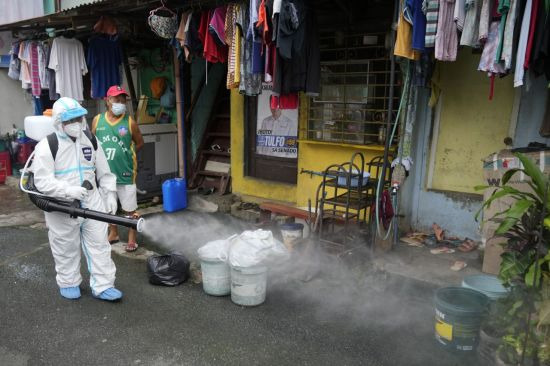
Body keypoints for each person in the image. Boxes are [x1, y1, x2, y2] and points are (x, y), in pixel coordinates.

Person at [31, 97, 122, 301]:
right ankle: (69, 281)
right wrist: (67, 190)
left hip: (92, 199)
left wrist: (109, 194)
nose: (76, 124)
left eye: (79, 119)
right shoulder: (47, 146)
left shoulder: (90, 140)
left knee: (100, 244)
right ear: (58, 123)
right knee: (65, 247)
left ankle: (104, 285)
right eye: (70, 121)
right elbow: (41, 181)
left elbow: (104, 172)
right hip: (61, 206)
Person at [92, 85, 144, 252]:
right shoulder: (97, 121)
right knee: (109, 206)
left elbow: (140, 143)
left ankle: (131, 238)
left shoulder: (130, 122)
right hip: (105, 174)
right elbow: (92, 142)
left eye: (123, 99)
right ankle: (113, 233)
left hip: (126, 172)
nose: (120, 102)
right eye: (116, 99)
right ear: (108, 101)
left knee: (130, 208)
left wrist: (127, 155)